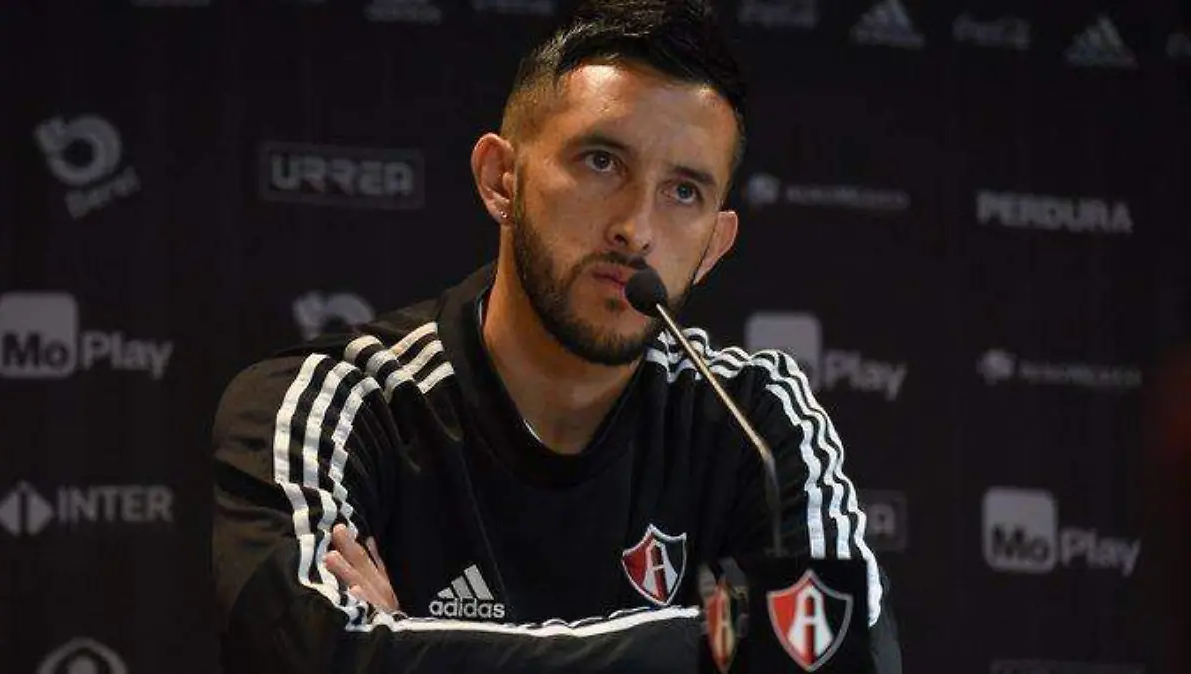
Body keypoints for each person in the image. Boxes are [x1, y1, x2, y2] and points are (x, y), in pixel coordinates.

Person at [210, 0, 903, 671]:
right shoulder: (343, 403)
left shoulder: (753, 419)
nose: (636, 228)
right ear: (501, 179)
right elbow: (304, 655)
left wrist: (399, 647)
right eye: (602, 162)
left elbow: (836, 655)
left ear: (714, 247)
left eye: (683, 191)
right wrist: (727, 644)